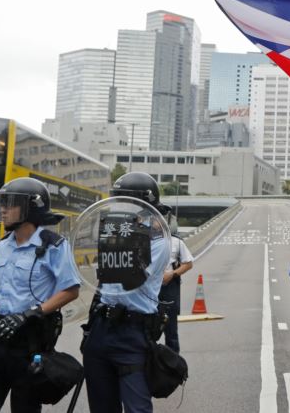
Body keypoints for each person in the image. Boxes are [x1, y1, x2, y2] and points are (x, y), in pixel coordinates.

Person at [0, 177, 81, 411]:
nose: (4, 209)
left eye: (11, 203)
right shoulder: (3, 245)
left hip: (28, 343)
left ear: (31, 207)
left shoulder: (54, 246)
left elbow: (71, 290)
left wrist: (30, 314)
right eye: (3, 203)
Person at [83, 172, 172, 413]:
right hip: (101, 326)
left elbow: (129, 277)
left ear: (142, 206)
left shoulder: (159, 241)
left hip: (132, 330)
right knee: (101, 406)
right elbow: (100, 280)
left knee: (137, 408)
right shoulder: (112, 234)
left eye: (126, 202)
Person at [158, 219, 194, 352]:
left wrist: (172, 274)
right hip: (149, 289)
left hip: (169, 288)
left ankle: (173, 367)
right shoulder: (144, 240)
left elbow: (188, 263)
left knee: (171, 331)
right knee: (146, 332)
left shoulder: (176, 242)